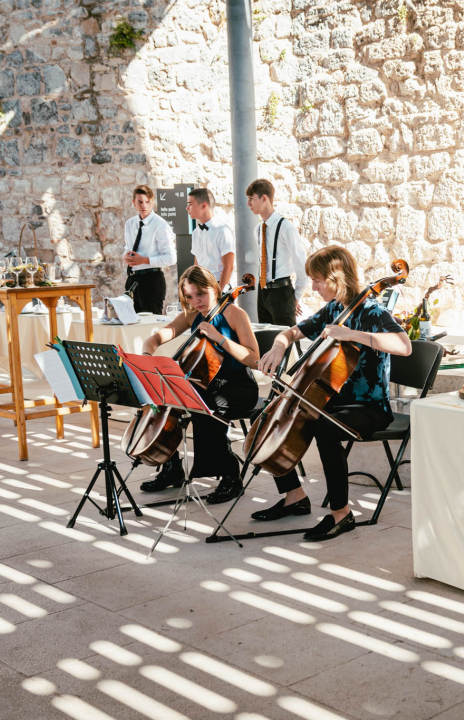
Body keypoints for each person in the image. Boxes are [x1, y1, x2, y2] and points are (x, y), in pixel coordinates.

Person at [253, 246, 411, 541]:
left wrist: (352, 334)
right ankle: (294, 496)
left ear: (336, 278)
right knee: (273, 413)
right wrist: (278, 346)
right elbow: (291, 332)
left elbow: (404, 346)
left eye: (317, 280)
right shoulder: (334, 309)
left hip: (370, 408)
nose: (312, 287)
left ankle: (341, 514)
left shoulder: (371, 311)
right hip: (334, 400)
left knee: (322, 427)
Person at [138, 266, 260, 505]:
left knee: (207, 410)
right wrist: (146, 353)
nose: (196, 301)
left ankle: (231, 476)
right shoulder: (192, 314)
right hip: (206, 384)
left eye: (201, 294)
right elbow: (156, 337)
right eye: (190, 297)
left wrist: (220, 338)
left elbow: (255, 359)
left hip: (238, 386)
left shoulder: (235, 315)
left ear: (214, 288)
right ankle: (171, 468)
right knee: (168, 398)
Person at [246, 179, 308, 326]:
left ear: (264, 198)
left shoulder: (286, 228)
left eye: (251, 199)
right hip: (263, 292)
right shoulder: (258, 230)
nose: (248, 204)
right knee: (267, 339)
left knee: (289, 341)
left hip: (281, 290)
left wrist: (295, 297)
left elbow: (301, 263)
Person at [123, 185, 176, 314]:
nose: (144, 206)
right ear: (134, 202)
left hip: (152, 280)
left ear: (152, 202)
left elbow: (171, 258)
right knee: (131, 323)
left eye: (147, 202)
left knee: (151, 324)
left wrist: (144, 260)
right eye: (140, 202)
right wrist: (125, 256)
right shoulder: (130, 224)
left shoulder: (161, 225)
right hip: (132, 280)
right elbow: (128, 247)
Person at [186, 188, 236, 290]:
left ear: (204, 206)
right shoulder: (196, 232)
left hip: (218, 285)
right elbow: (197, 264)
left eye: (190, 204)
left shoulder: (223, 230)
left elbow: (229, 267)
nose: (187, 208)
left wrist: (219, 293)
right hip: (201, 287)